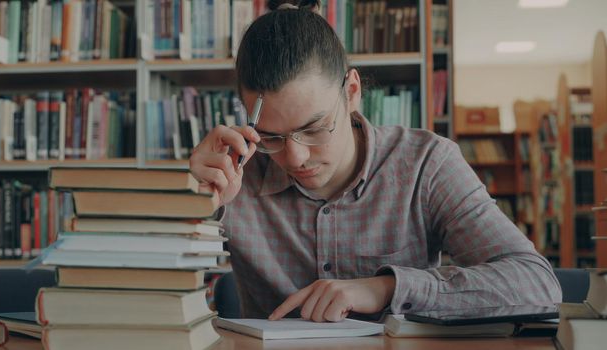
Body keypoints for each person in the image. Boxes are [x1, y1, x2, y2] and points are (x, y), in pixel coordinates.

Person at [189, 0, 562, 322]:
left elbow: (535, 283)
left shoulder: (426, 165)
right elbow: (142, 286)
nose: (295, 156)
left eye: (315, 128)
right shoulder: (232, 174)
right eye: (271, 136)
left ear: (352, 92)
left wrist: (388, 288)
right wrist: (191, 204)